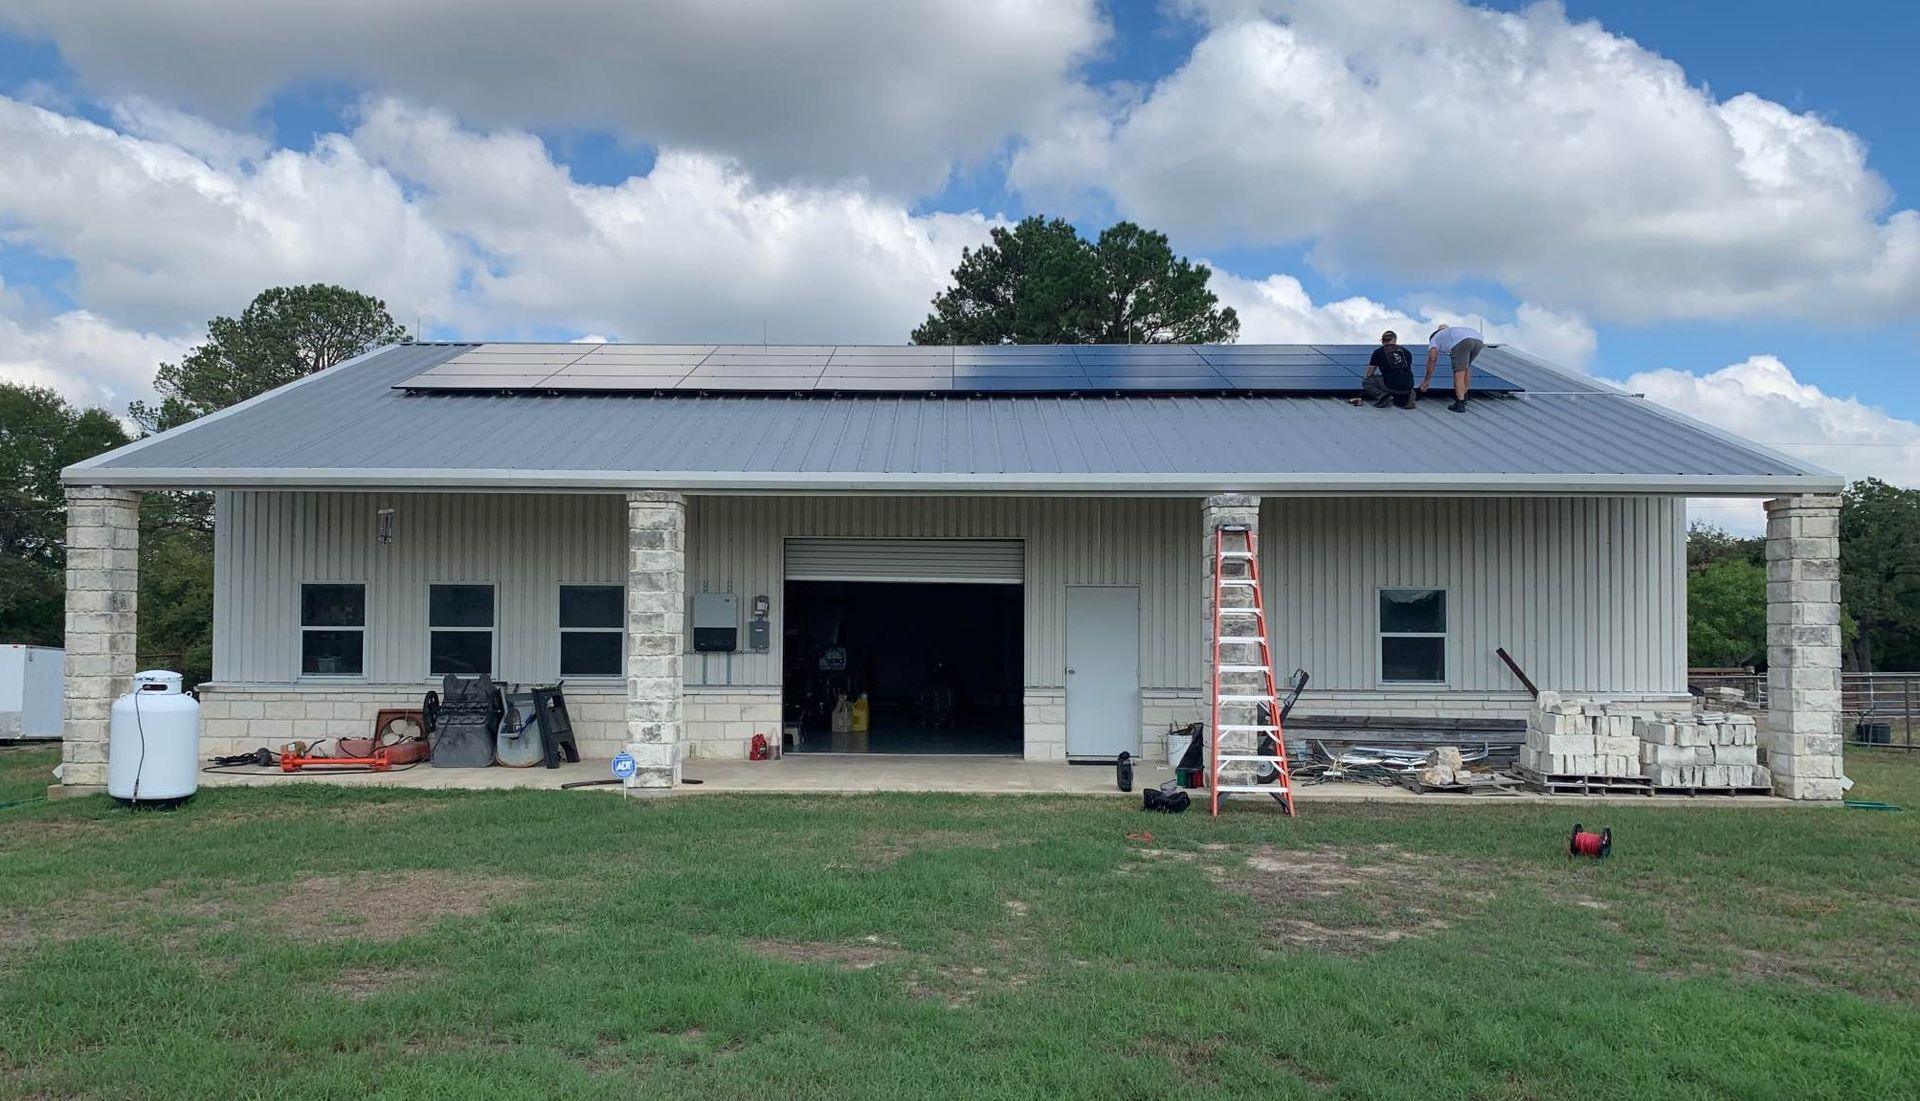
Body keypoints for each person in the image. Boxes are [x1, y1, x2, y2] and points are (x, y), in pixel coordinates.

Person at [1420, 323, 1485, 412]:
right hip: (1478, 339)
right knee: (1467, 366)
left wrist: (1426, 381)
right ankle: (1464, 394)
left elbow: (1432, 359)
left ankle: (1460, 403)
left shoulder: (1434, 339)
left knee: (1459, 371)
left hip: (1462, 341)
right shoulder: (1449, 332)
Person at [1348, 329, 1415, 409]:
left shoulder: (1378, 352)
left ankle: (1383, 397)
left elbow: (1370, 373)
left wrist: (1366, 378)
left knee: (1368, 381)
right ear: (1395, 339)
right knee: (1400, 378)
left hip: (1392, 387)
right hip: (1408, 387)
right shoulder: (1406, 352)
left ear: (1383, 341)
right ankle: (1409, 397)